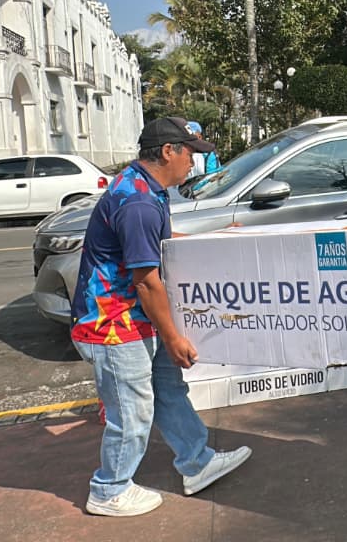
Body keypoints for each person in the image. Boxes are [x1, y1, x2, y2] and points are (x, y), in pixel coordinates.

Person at [71, 117, 252, 517]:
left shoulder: (146, 188)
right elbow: (147, 281)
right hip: (113, 326)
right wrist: (173, 337)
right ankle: (109, 489)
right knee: (131, 413)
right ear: (169, 151)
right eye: (190, 154)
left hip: (136, 319)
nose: (194, 163)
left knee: (169, 390)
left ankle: (197, 462)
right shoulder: (137, 203)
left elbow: (160, 245)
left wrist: (216, 239)